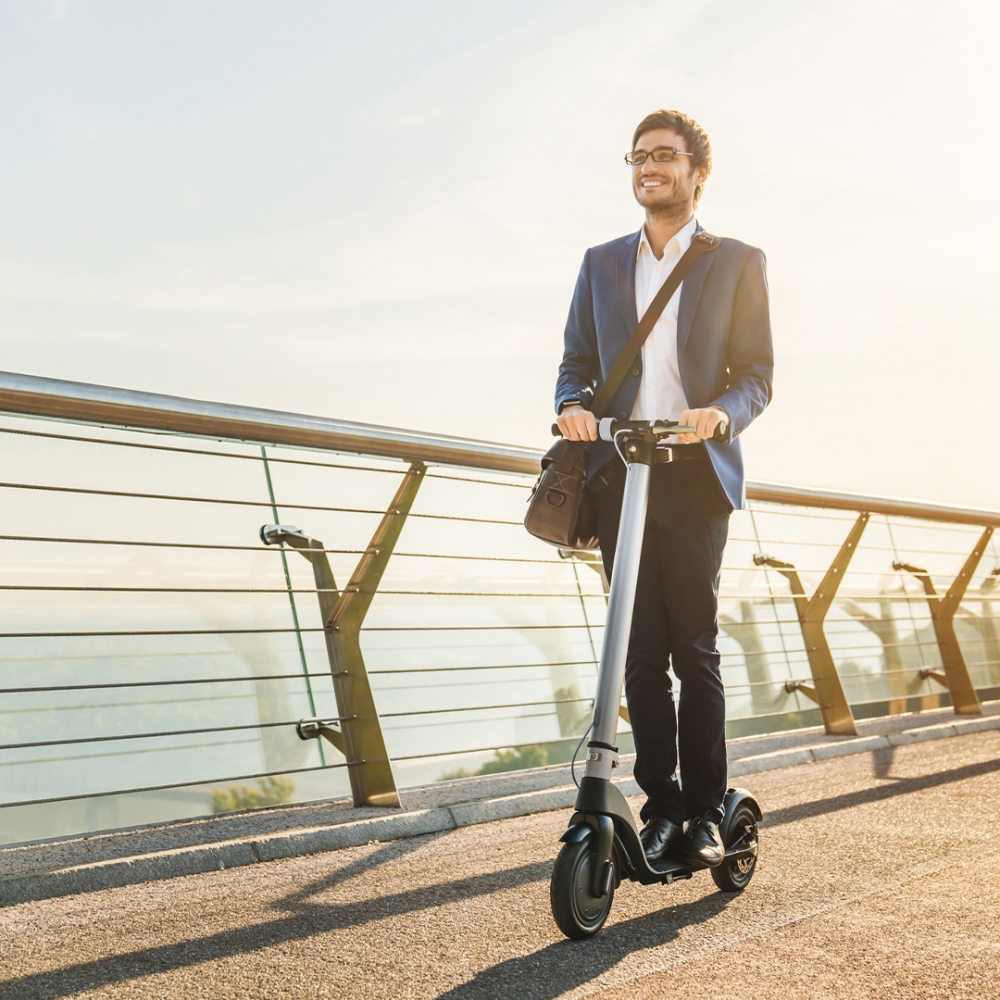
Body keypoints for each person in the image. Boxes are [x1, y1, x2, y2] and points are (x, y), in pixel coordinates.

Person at [554, 109, 773, 867]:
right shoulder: (601, 261)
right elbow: (577, 359)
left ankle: (708, 809)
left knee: (694, 647)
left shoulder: (736, 261)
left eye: (664, 156)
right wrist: (572, 406)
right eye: (638, 156)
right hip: (622, 475)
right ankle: (661, 806)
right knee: (639, 653)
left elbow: (757, 377)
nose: (648, 167)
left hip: (695, 478)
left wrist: (720, 416)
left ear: (697, 172)